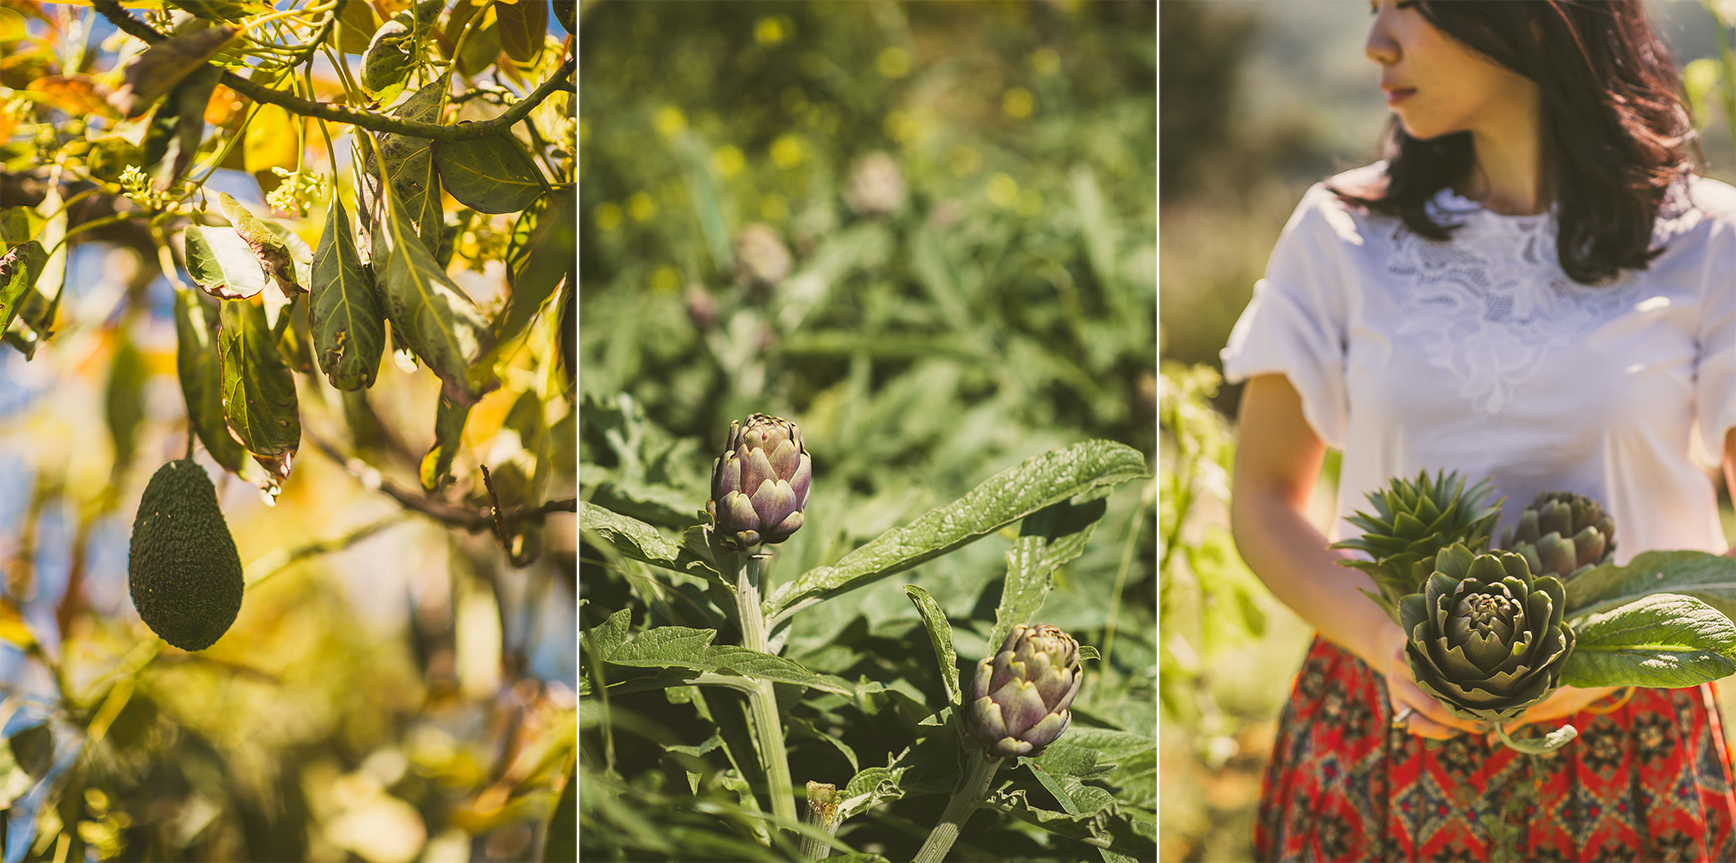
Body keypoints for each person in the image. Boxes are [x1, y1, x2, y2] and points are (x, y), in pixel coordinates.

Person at [1222, 1, 1736, 860]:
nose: (1375, 41)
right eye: (1372, 7)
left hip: (1635, 752)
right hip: (1376, 737)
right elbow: (1265, 499)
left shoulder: (1710, 241)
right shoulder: (1341, 231)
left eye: (1409, 7)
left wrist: (1603, 664)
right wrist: (1390, 645)